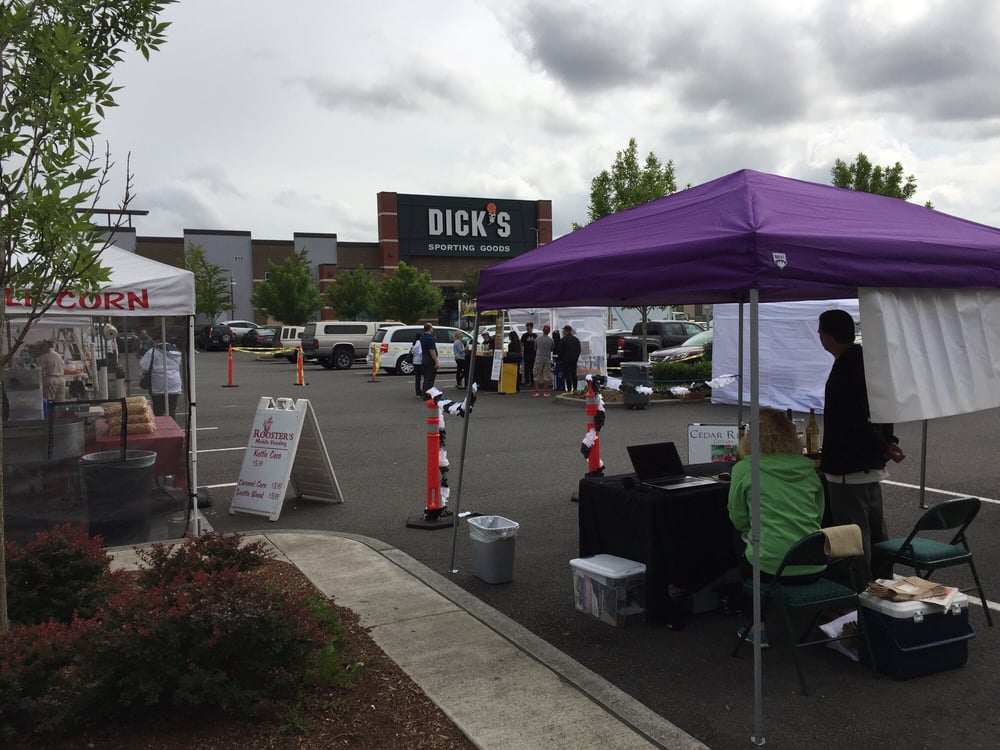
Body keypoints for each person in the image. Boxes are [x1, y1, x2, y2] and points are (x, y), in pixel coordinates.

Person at [728, 407, 826, 647]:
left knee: (740, 538)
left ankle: (757, 626)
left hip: (769, 566)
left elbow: (739, 519)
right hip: (814, 562)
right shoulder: (808, 468)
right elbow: (818, 515)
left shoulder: (745, 468)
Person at [818, 308, 902, 585]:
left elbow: (855, 418)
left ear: (828, 335)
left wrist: (884, 444)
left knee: (854, 536)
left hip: (847, 466)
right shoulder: (869, 362)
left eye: (820, 331)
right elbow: (881, 409)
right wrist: (887, 444)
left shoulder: (846, 368)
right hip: (871, 464)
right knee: (876, 531)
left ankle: (863, 591)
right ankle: (884, 584)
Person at [139, 333, 183, 419]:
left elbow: (144, 366)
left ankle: (161, 428)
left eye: (153, 341)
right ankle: (172, 428)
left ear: (158, 340)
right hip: (175, 384)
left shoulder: (152, 351)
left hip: (159, 385)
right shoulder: (177, 351)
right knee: (171, 410)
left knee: (158, 411)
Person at [533, 324, 554, 397]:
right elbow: (551, 349)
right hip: (547, 359)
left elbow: (535, 348)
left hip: (538, 359)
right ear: (549, 331)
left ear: (543, 330)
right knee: (546, 375)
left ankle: (536, 391)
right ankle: (546, 392)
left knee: (536, 375)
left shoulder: (538, 339)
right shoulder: (551, 340)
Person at [559, 325, 581, 392]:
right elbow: (579, 350)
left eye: (564, 331)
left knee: (567, 375)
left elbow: (560, 351)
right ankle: (575, 388)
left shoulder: (563, 340)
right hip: (574, 360)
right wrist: (576, 358)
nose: (563, 332)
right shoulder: (576, 339)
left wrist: (560, 359)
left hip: (566, 361)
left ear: (566, 331)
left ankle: (569, 389)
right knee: (574, 374)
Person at [419, 323, 439, 393]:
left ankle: (424, 392)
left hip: (424, 358)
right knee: (430, 379)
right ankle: (427, 394)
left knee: (426, 378)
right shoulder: (430, 338)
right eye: (432, 328)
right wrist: (436, 361)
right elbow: (432, 351)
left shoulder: (422, 337)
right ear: (430, 328)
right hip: (430, 360)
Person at [520, 322, 537, 387]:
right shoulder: (524, 335)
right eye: (527, 328)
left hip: (533, 354)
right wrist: (522, 352)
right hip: (526, 353)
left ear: (532, 328)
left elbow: (537, 344)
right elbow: (522, 344)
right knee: (526, 368)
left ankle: (533, 381)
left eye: (529, 328)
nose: (528, 329)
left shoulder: (535, 335)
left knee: (533, 368)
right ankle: (527, 381)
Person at [410, 333, 424, 398]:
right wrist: (423, 360)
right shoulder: (420, 343)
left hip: (415, 362)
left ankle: (418, 393)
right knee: (426, 377)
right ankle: (424, 392)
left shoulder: (414, 343)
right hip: (420, 362)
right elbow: (421, 353)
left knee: (417, 379)